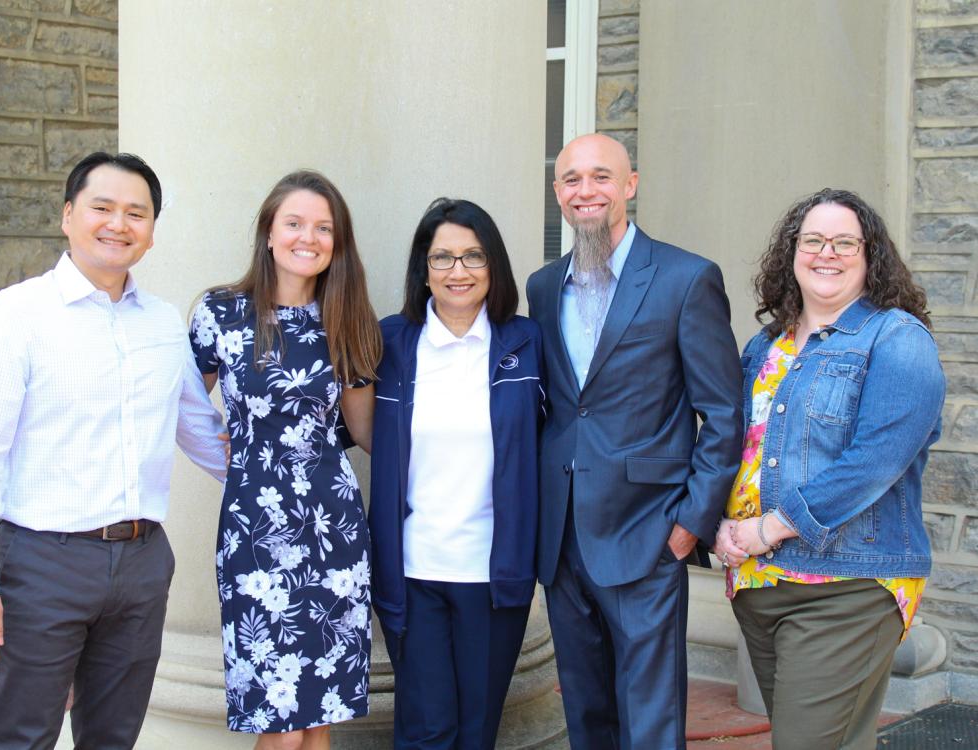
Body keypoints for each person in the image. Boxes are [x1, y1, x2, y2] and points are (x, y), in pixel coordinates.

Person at [0, 151, 228, 749]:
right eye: (103, 207)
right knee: (22, 735)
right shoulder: (17, 315)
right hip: (41, 562)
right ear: (68, 216)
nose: (119, 223)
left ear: (149, 232)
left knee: (113, 737)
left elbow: (199, 429)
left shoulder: (164, 323)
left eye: (136, 213)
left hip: (142, 562)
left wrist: (292, 485)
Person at [526, 133, 743, 749]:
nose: (585, 190)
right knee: (586, 712)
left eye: (601, 176)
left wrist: (689, 524)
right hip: (563, 536)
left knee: (650, 720)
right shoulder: (542, 287)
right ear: (558, 194)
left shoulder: (686, 277)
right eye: (571, 179)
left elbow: (723, 413)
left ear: (630, 185)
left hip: (648, 533)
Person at [712, 188, 945, 750]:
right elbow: (733, 448)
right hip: (759, 583)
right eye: (813, 240)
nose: (827, 253)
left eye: (846, 242)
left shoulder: (896, 339)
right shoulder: (764, 346)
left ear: (871, 257)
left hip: (847, 585)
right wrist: (715, 523)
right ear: (792, 252)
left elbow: (873, 463)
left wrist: (767, 529)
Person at [190, 170, 380, 750]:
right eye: (294, 223)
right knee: (280, 722)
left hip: (333, 529)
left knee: (316, 715)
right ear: (268, 233)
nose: (309, 237)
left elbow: (366, 431)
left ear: (338, 243)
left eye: (324, 228)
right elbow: (184, 411)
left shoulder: (347, 320)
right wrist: (234, 460)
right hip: (255, 530)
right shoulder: (220, 314)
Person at [368, 198, 543, 750]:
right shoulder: (391, 342)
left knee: (476, 731)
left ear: (494, 266)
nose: (458, 271)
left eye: (473, 256)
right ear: (423, 269)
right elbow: (337, 420)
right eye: (442, 258)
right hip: (414, 571)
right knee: (427, 729)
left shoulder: (527, 343)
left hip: (495, 573)